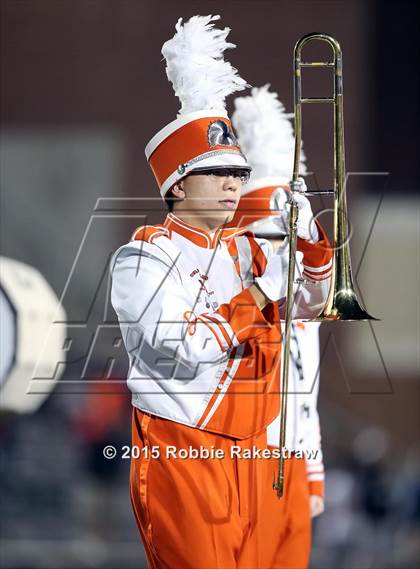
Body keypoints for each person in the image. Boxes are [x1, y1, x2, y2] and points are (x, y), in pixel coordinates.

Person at [111, 17, 331, 569]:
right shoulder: (143, 257)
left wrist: (313, 248)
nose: (235, 182)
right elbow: (184, 343)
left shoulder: (243, 251)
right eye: (219, 171)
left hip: (253, 449)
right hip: (185, 446)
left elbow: (309, 307)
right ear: (178, 184)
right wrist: (261, 291)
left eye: (239, 171)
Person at [231, 84, 328, 568]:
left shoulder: (303, 314)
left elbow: (307, 396)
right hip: (250, 461)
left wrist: (312, 472)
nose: (279, 248)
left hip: (293, 461)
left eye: (285, 236)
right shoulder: (239, 297)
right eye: (270, 237)